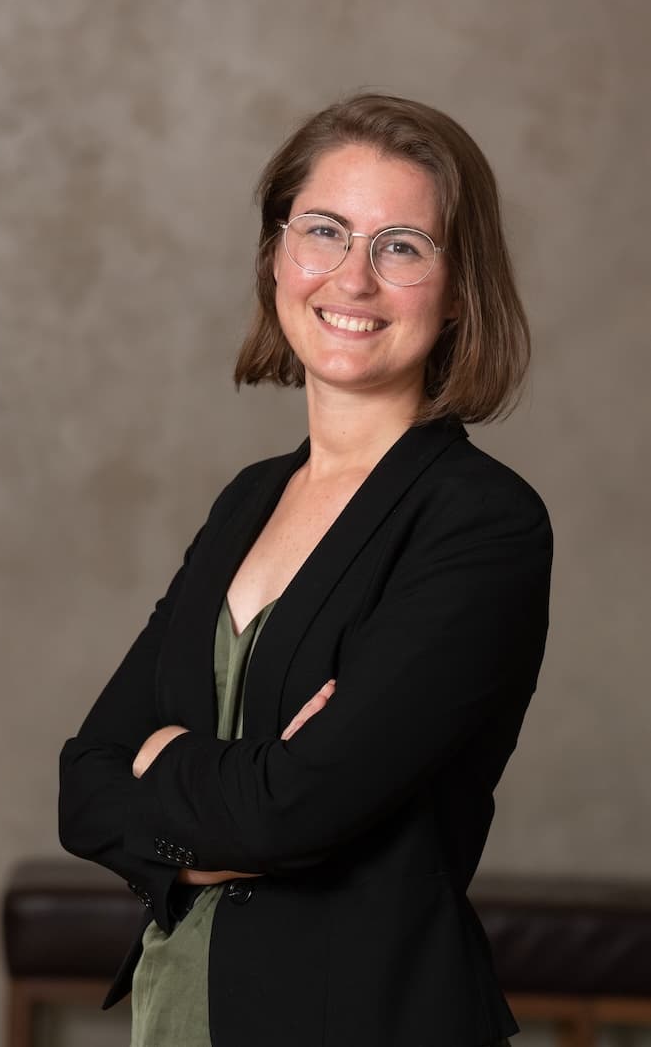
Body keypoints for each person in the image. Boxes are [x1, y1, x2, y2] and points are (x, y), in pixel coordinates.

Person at [59, 93, 552, 1047]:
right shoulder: (249, 498)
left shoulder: (480, 520)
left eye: (402, 245)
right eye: (323, 231)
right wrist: (242, 797)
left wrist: (171, 765)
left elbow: (295, 811)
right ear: (278, 255)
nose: (352, 279)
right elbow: (86, 783)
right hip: (181, 1014)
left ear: (457, 289)